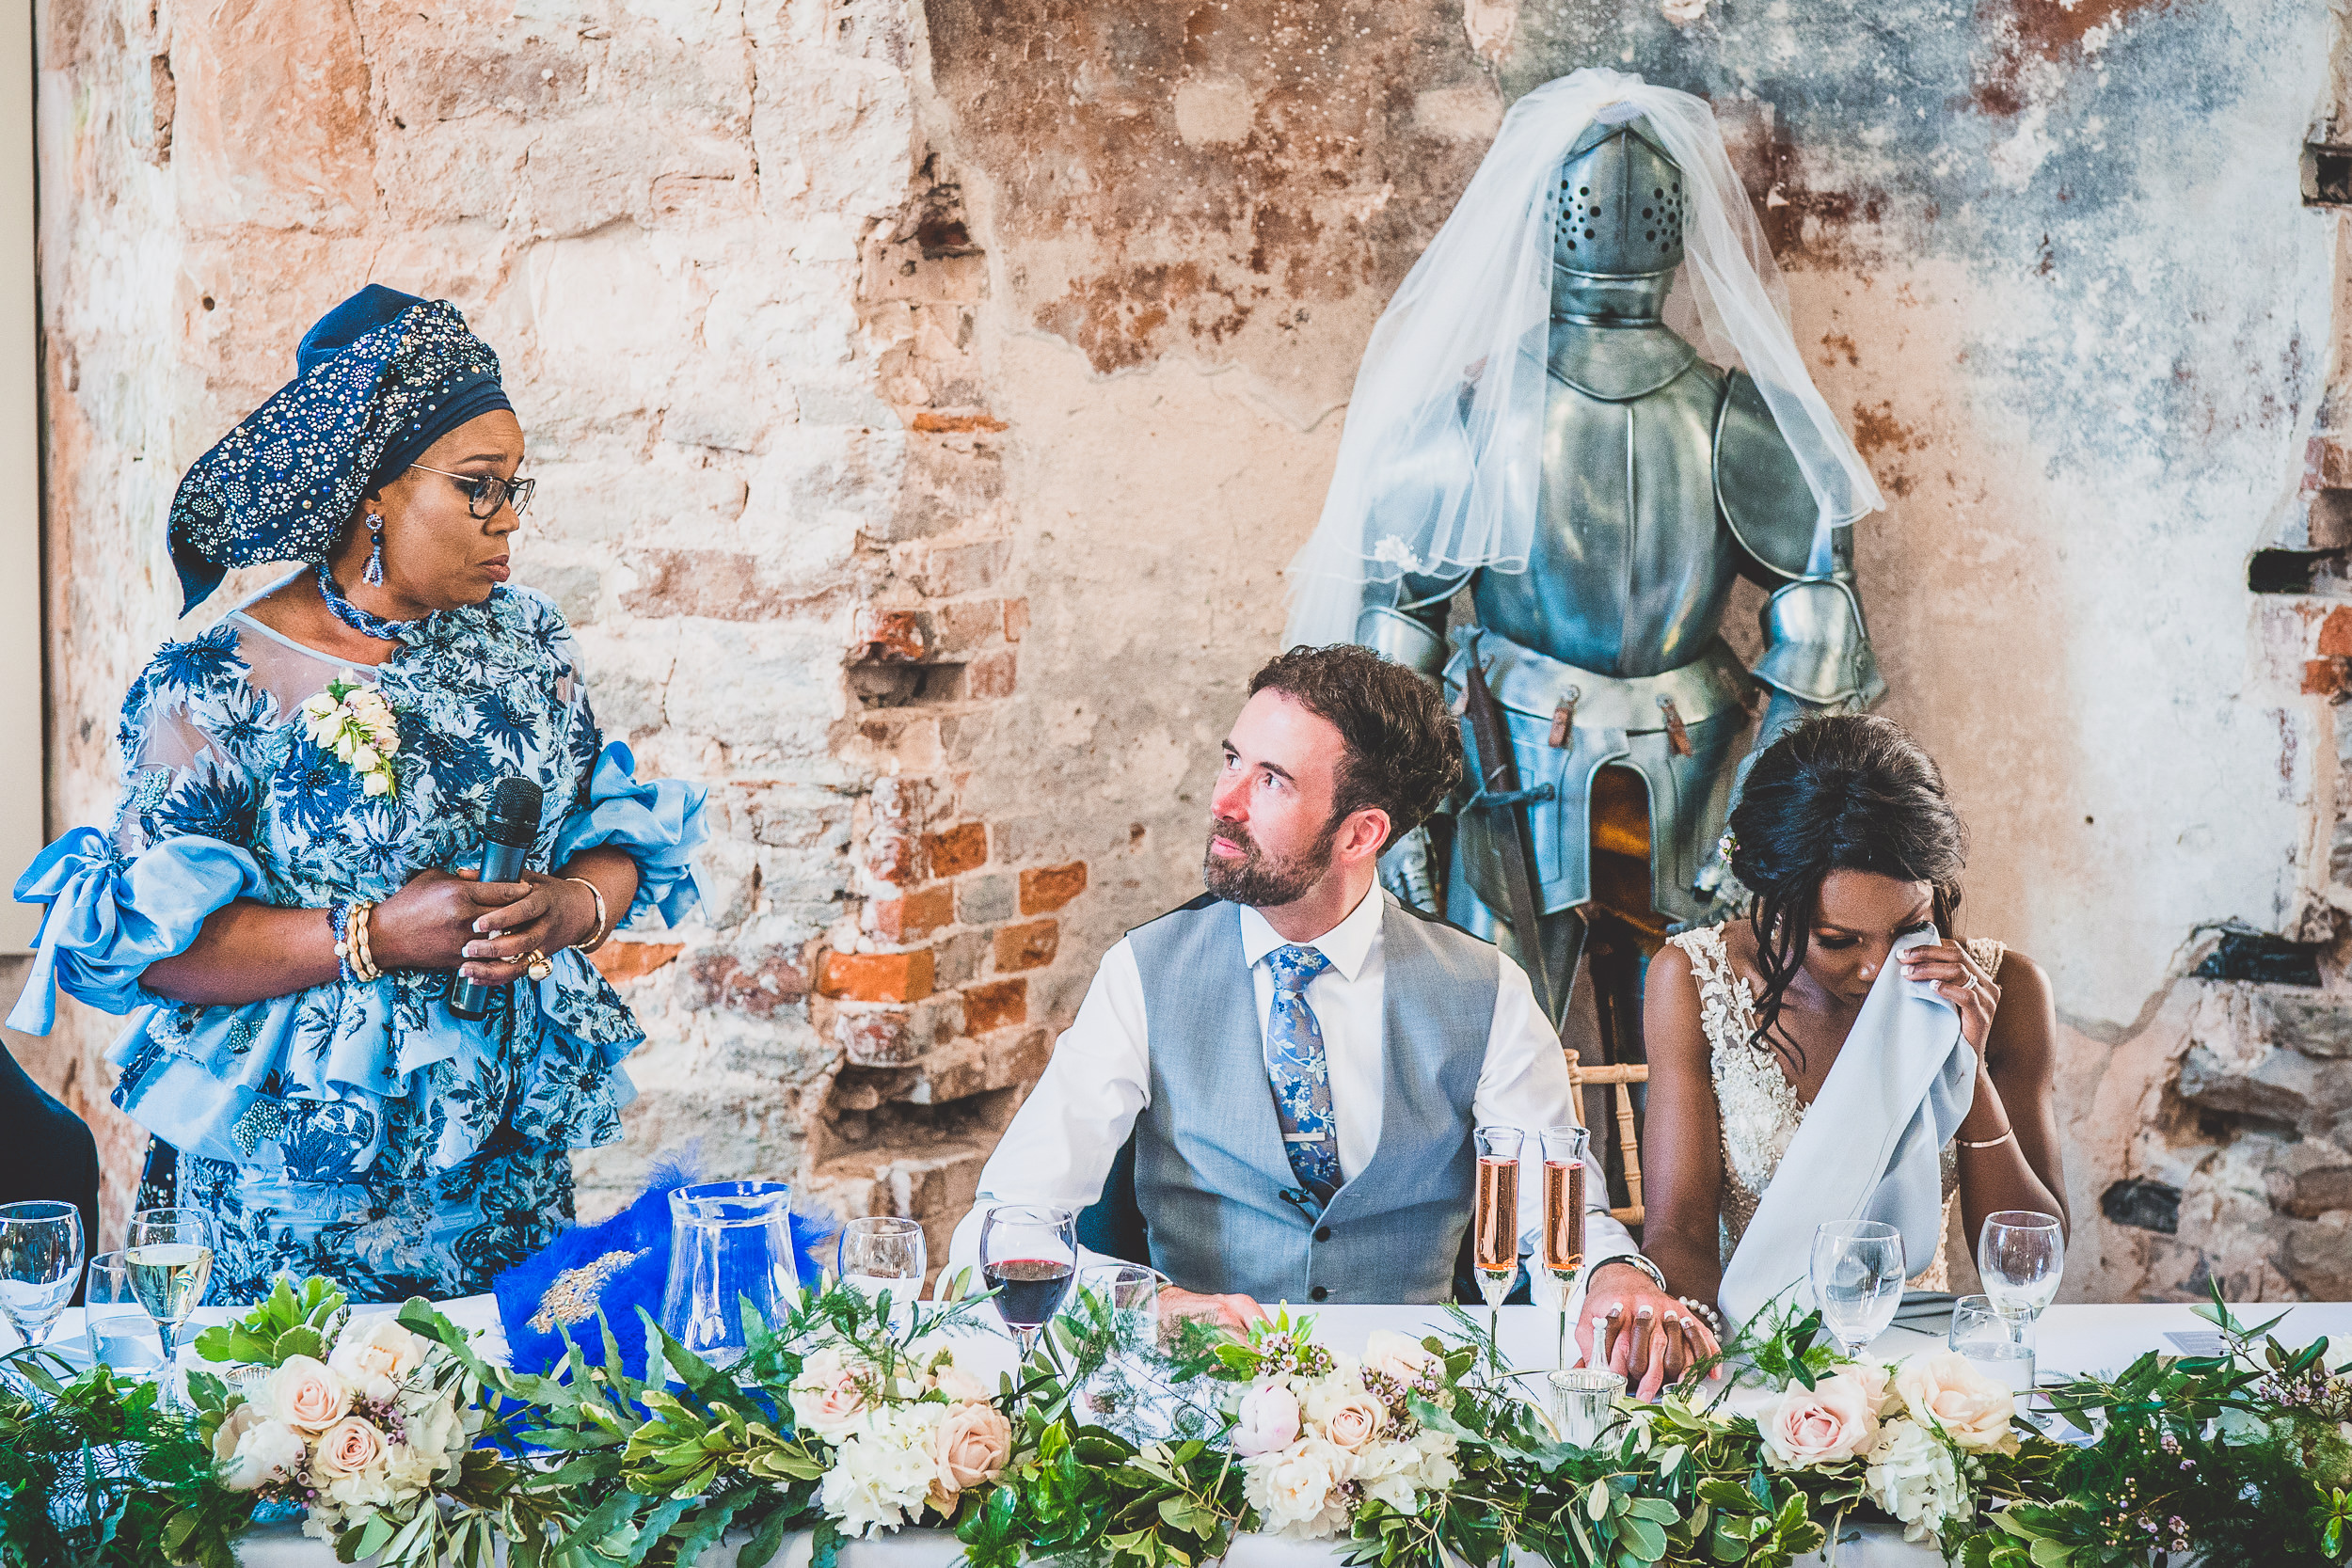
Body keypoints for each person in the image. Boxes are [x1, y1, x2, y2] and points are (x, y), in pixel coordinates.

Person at [8, 286, 707, 1303]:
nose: (508, 518)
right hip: (291, 1190)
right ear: (373, 491)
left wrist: (570, 905)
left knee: (501, 1439)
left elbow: (614, 833)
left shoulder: (532, 640)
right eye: (478, 486)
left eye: (517, 485)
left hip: (499, 1168)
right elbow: (152, 951)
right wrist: (374, 934)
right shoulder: (214, 678)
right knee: (305, 1442)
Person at [946, 644, 1703, 1376]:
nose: (1223, 800)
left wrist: (1614, 1280)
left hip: (1421, 1431)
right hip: (1194, 1430)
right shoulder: (1142, 974)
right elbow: (1000, 1226)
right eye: (1232, 759)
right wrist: (1148, 1303)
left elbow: (1560, 1221)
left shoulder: (1488, 990)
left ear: (1361, 832)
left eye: (1270, 780)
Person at [1630, 714, 2067, 1338]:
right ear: (1775, 902)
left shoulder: (2008, 989)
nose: (1876, 967)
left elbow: (2027, 1261)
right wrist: (1705, 1354)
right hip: (1758, 1348)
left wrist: (1965, 1070)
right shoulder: (1693, 979)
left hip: (1923, 1369)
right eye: (1838, 939)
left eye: (1908, 926)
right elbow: (1679, 1233)